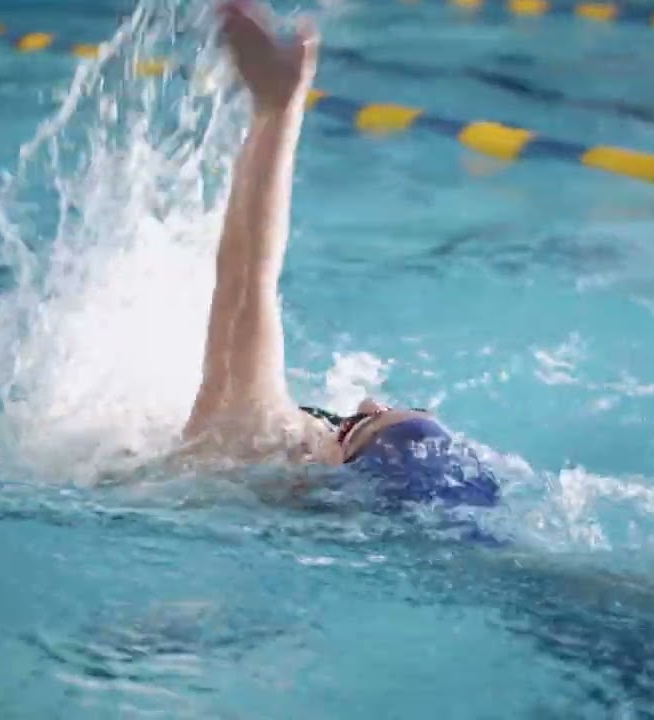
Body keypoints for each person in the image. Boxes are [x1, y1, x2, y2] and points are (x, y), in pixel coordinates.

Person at [178, 0, 499, 512]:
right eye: (396, 407)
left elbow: (247, 277)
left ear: (334, 472)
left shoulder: (254, 443)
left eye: (355, 426)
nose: (369, 399)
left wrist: (279, 110)